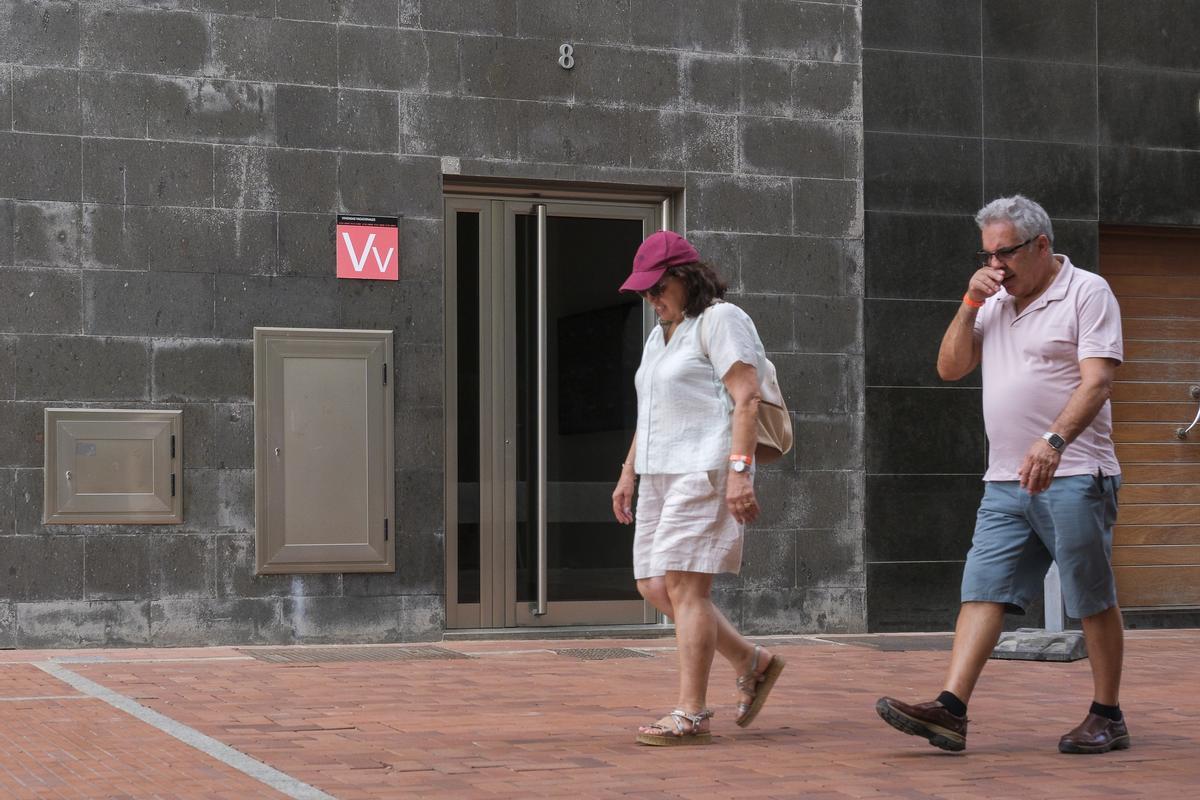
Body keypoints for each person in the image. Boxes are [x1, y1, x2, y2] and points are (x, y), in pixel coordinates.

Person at [875, 195, 1129, 755]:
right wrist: (969, 303)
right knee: (982, 590)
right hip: (1004, 480)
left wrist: (1054, 441)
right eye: (987, 255)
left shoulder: (1087, 292)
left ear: (1041, 245)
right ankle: (951, 710)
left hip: (1074, 471)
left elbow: (1097, 382)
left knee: (1090, 596)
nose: (996, 265)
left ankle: (1107, 715)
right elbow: (949, 368)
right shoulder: (992, 300)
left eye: (1005, 253)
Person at [611, 230, 786, 746]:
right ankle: (751, 660)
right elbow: (651, 410)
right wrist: (628, 471)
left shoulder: (721, 319)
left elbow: (747, 398)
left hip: (703, 469)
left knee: (687, 589)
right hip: (659, 473)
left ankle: (692, 713)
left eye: (657, 287)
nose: (651, 297)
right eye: (644, 290)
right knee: (653, 585)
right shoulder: (660, 334)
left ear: (687, 278)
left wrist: (739, 472)